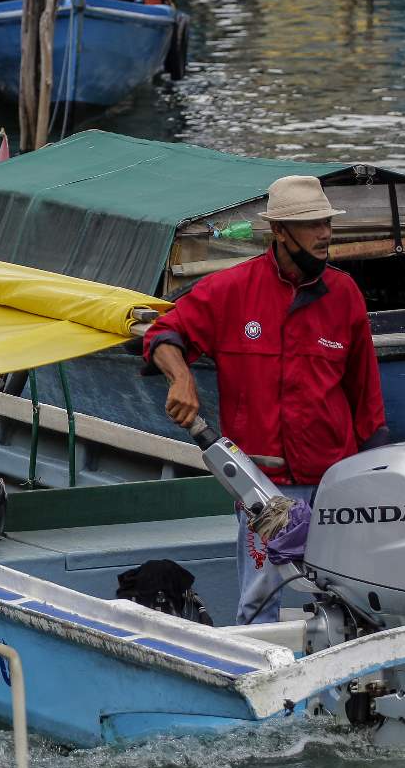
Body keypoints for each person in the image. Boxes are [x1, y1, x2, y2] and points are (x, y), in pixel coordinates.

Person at [142, 175, 388, 624]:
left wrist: (376, 478)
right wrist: (181, 378)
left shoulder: (345, 295)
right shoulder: (231, 290)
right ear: (279, 231)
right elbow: (164, 334)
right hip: (263, 487)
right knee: (258, 604)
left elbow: (367, 400)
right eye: (311, 224)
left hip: (334, 483)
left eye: (326, 222)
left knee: (354, 599)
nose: (325, 233)